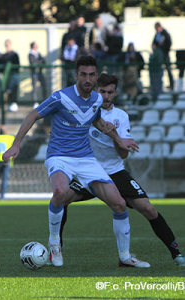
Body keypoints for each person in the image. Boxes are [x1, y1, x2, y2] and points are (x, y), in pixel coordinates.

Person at [2, 55, 139, 267]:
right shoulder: (60, 97)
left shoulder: (96, 100)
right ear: (76, 75)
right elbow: (32, 115)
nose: (88, 79)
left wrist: (119, 140)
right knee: (60, 192)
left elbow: (99, 123)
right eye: (83, 74)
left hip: (85, 158)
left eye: (92, 75)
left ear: (96, 77)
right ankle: (54, 243)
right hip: (59, 156)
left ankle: (125, 256)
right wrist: (16, 143)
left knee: (119, 204)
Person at [60, 73, 185, 267]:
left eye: (110, 92)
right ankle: (55, 249)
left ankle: (176, 254)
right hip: (88, 171)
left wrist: (114, 135)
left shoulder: (121, 117)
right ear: (95, 91)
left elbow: (123, 155)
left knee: (148, 208)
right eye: (102, 92)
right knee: (61, 199)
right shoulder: (84, 110)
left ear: (116, 93)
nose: (107, 96)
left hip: (114, 172)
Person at [153, 22, 174, 90]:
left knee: (168, 69)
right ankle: (159, 85)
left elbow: (169, 43)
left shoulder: (165, 33)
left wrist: (164, 49)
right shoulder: (157, 34)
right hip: (159, 55)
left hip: (164, 54)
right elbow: (154, 43)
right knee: (159, 70)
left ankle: (172, 84)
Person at [1, 39, 20, 112]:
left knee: (13, 88)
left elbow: (17, 65)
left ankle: (14, 103)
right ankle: (9, 104)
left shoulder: (14, 54)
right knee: (7, 89)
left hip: (14, 75)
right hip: (7, 76)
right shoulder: (4, 55)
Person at [28, 41, 47, 108]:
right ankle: (34, 102)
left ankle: (45, 101)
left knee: (44, 86)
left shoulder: (38, 53)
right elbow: (33, 62)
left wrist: (39, 62)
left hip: (40, 72)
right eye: (35, 45)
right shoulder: (31, 54)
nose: (37, 46)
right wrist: (40, 62)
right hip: (34, 73)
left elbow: (43, 61)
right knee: (34, 88)